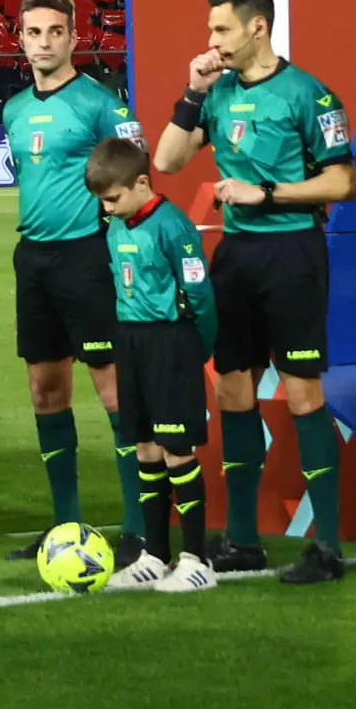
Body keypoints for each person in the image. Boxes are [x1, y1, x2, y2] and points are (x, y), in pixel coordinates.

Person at [151, 0, 356, 582]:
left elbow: (345, 183)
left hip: (293, 252)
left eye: (221, 30)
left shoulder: (308, 94)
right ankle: (243, 539)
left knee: (301, 394)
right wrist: (192, 90)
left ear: (256, 28)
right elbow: (165, 161)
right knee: (231, 391)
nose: (211, 41)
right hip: (237, 257)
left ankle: (328, 547)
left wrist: (264, 193)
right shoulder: (215, 95)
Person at [2, 0, 147, 565]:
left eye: (54, 32)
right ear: (21, 38)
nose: (44, 42)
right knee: (45, 390)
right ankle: (66, 526)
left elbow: (137, 179)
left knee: (112, 390)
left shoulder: (100, 104)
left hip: (88, 256)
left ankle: (138, 526)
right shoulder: (13, 109)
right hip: (34, 259)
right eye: (34, 32)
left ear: (73, 37)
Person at [85, 137, 218, 593]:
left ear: (141, 183)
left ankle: (197, 560)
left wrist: (191, 350)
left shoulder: (173, 227)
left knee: (177, 449)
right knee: (144, 448)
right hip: (131, 341)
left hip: (170, 341)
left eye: (113, 199)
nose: (107, 210)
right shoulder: (115, 226)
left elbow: (200, 297)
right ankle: (155, 556)